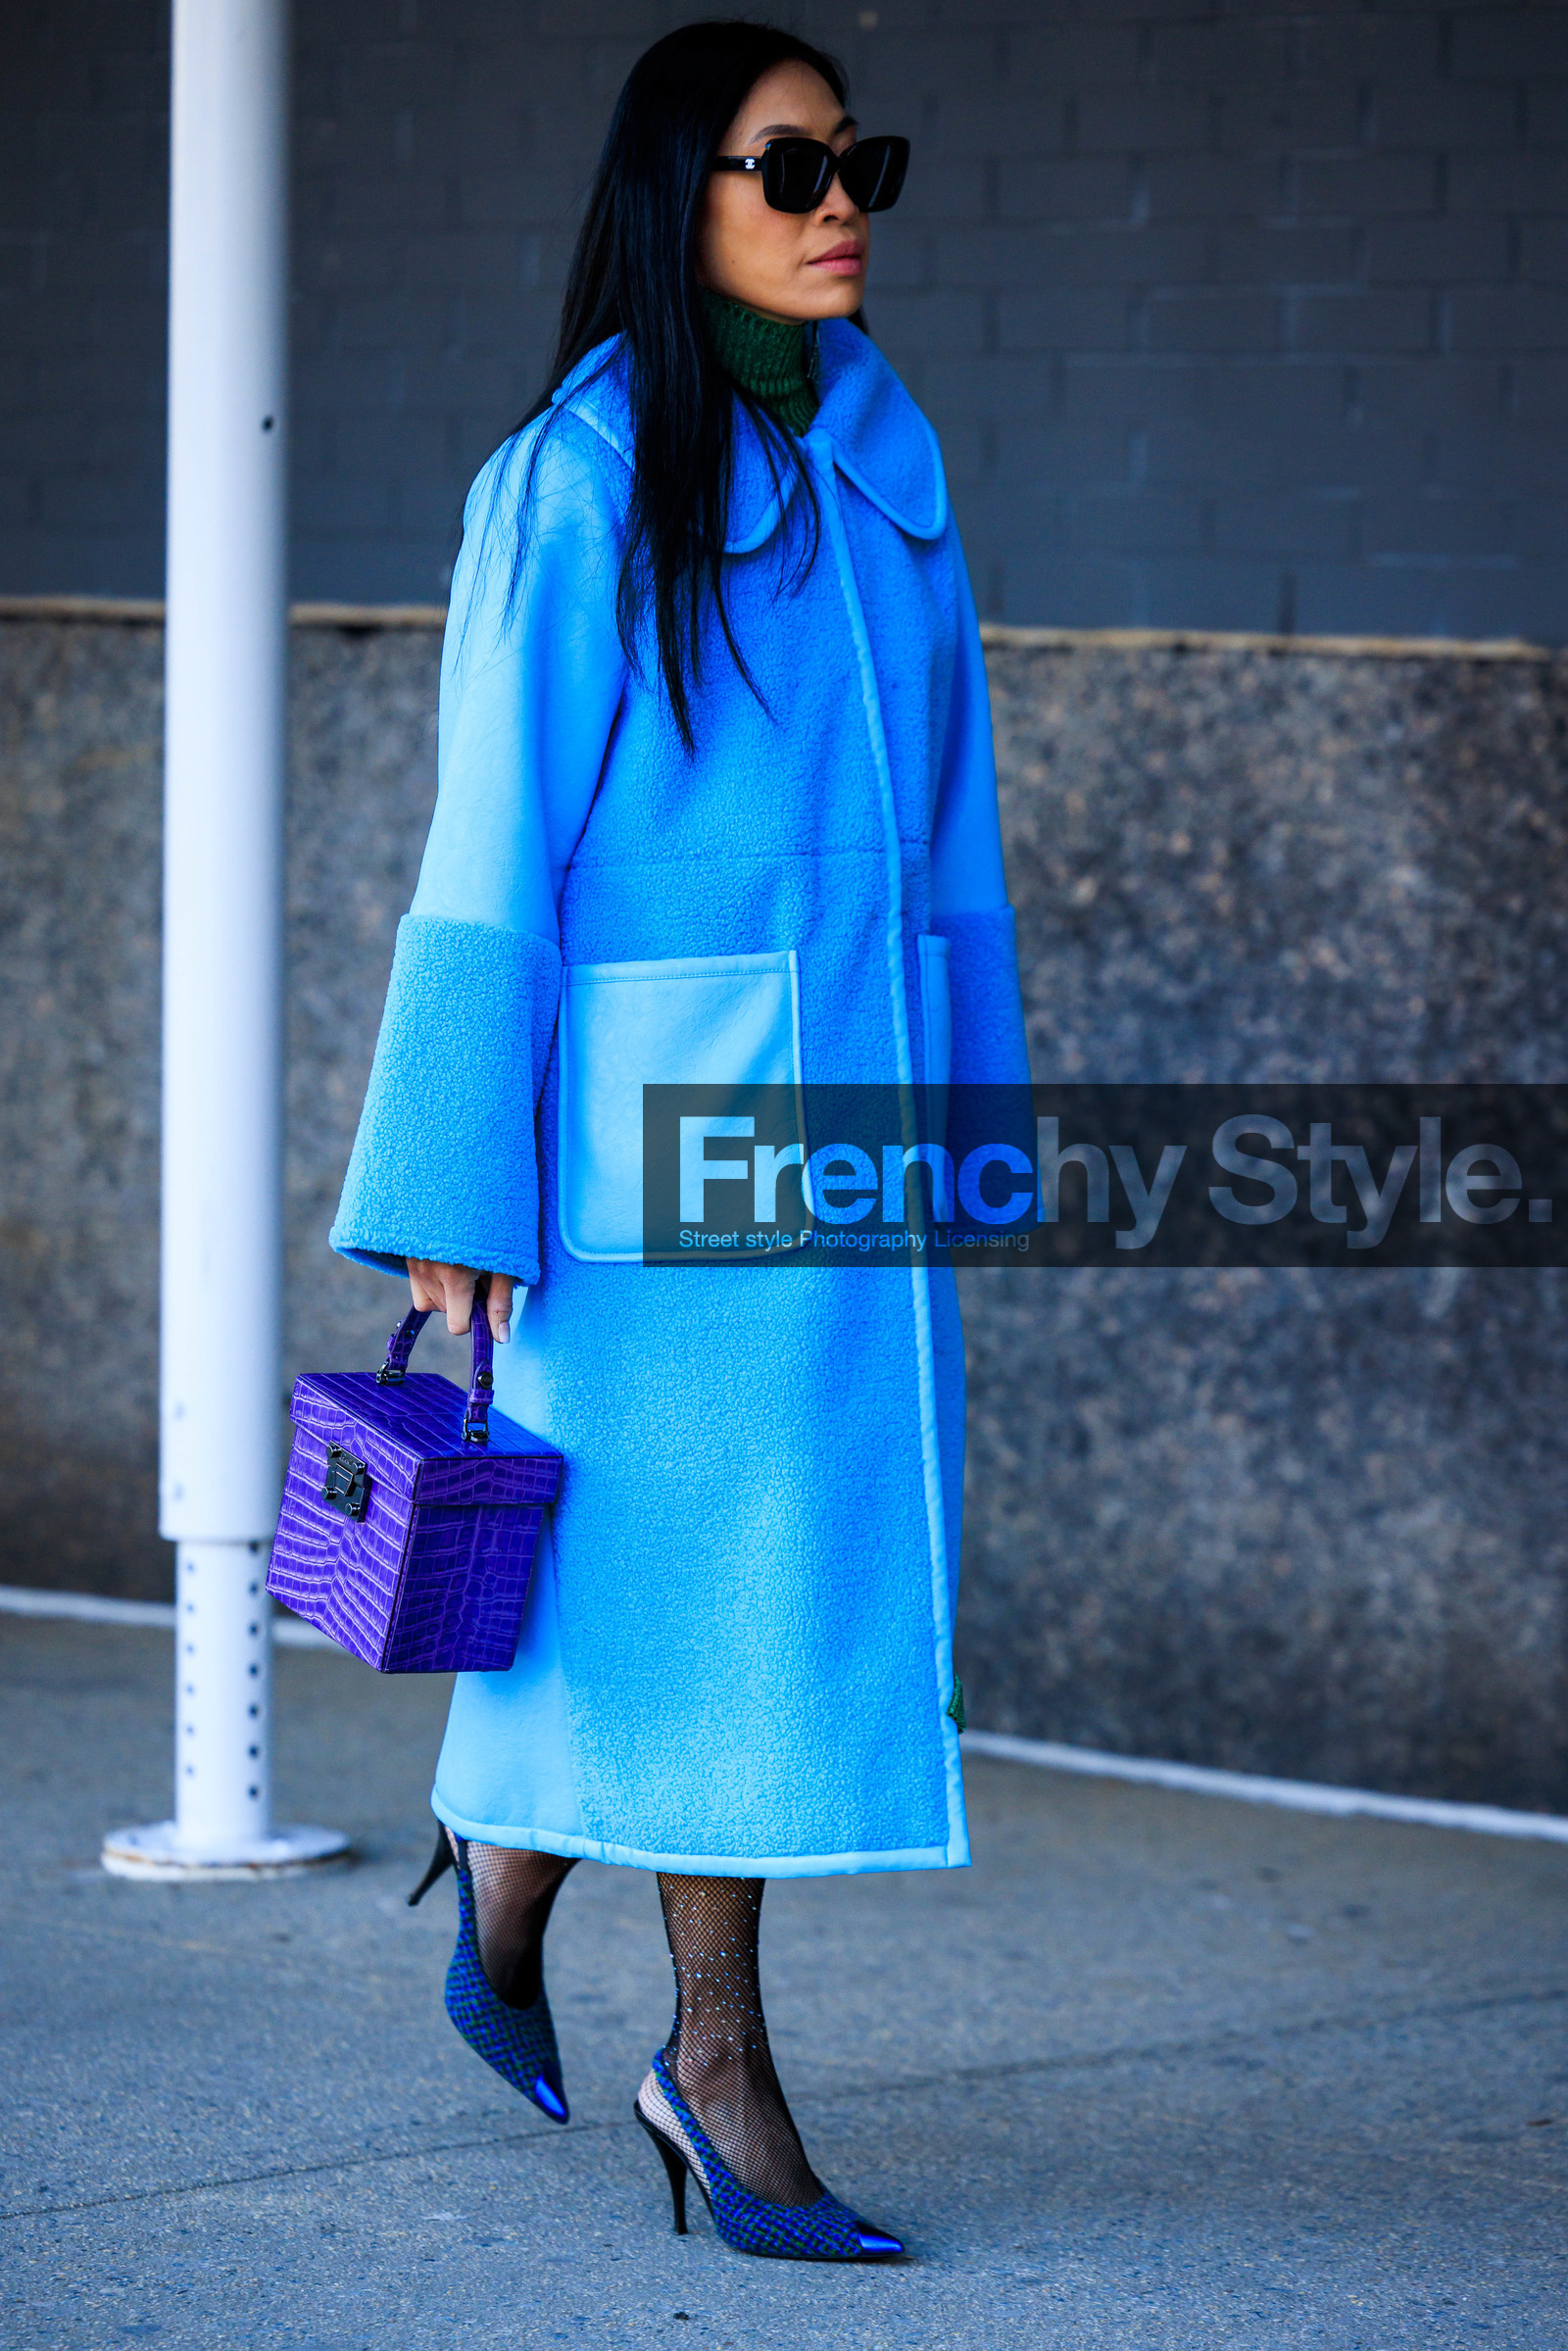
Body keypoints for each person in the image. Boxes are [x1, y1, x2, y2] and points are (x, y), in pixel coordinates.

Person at [331, 20, 1029, 2262]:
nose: (840, 201)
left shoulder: (888, 472)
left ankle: (506, 1895)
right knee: (706, 1591)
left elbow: (954, 852)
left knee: (733, 1584)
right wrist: (453, 1185)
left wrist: (973, 1139)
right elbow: (483, 854)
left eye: (860, 163)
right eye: (788, 163)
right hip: (648, 1142)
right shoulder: (574, 478)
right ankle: (712, 2067)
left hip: (840, 1128)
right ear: (678, 191)